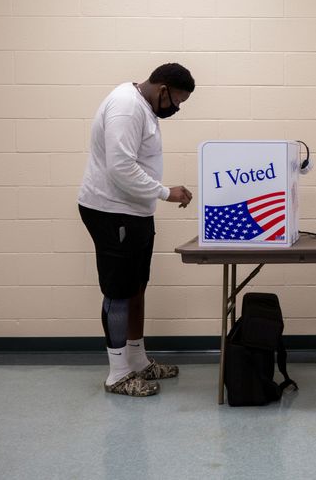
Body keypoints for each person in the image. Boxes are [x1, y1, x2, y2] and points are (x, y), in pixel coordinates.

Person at [78, 63, 195, 397]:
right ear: (163, 90)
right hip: (111, 212)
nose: (177, 107)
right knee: (118, 292)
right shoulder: (127, 108)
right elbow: (120, 167)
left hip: (133, 212)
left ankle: (138, 361)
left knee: (136, 287)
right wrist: (164, 192)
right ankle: (118, 374)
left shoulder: (142, 106)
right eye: (177, 100)